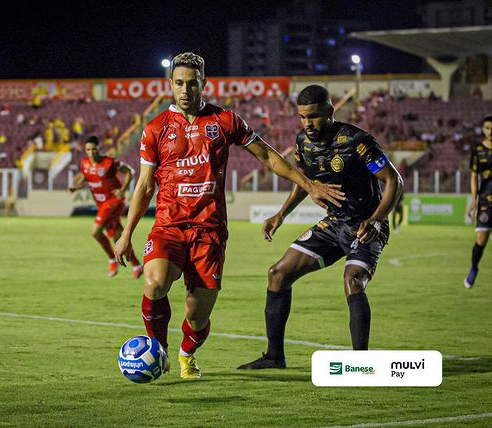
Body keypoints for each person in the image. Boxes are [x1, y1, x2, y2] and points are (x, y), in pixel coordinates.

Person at [113, 53, 344, 379]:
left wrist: (309, 185)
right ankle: (158, 351)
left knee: (197, 315)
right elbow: (144, 185)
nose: (185, 90)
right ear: (170, 84)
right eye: (179, 83)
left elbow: (266, 155)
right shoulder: (155, 129)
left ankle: (186, 353)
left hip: (209, 230)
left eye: (192, 84)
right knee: (154, 284)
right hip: (168, 224)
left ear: (204, 84)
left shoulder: (225, 121)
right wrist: (126, 234)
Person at [237, 84, 403, 370]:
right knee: (277, 274)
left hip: (364, 226)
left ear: (329, 111)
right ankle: (275, 357)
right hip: (334, 224)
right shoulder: (304, 142)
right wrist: (281, 214)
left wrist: (375, 220)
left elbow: (394, 181)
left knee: (353, 281)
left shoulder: (357, 141)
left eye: (313, 116)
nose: (307, 124)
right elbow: (306, 184)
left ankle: (360, 366)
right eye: (302, 117)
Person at [69, 135, 143, 279]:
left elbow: (129, 172)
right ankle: (136, 265)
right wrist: (76, 186)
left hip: (114, 201)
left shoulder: (109, 162)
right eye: (88, 150)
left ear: (99, 149)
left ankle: (111, 260)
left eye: (94, 149)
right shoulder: (85, 164)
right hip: (101, 204)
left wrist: (123, 190)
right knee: (117, 236)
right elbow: (86, 177)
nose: (91, 153)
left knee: (95, 231)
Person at [464, 114, 492, 288]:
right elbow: (474, 176)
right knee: (481, 240)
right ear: (483, 129)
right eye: (488, 128)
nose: (491, 131)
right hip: (486, 201)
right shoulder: (478, 151)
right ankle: (474, 268)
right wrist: (474, 200)